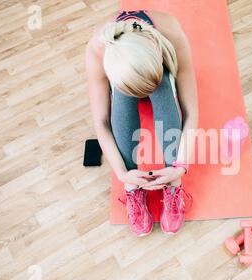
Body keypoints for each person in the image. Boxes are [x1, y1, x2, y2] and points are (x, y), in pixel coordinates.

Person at [85, 10, 198, 236]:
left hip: (160, 77)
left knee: (163, 86)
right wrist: (123, 175)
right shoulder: (98, 48)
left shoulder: (171, 34)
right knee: (123, 96)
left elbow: (191, 111)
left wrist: (180, 167)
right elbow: (102, 121)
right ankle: (133, 188)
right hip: (124, 82)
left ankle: (173, 185)